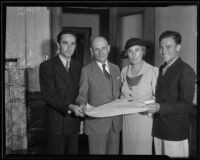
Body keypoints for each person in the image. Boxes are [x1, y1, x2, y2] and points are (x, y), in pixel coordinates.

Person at [146, 30, 196, 158]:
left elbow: (186, 105)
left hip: (175, 132)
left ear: (178, 47)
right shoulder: (162, 68)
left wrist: (160, 107)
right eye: (161, 47)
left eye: (168, 47)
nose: (163, 51)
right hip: (159, 128)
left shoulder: (186, 70)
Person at [39, 31, 84, 154]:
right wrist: (69, 106)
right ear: (58, 45)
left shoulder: (78, 66)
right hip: (55, 124)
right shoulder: (46, 66)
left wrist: (82, 120)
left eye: (72, 44)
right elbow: (48, 95)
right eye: (65, 43)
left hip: (73, 122)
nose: (69, 47)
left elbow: (81, 93)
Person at [75, 36, 122, 154]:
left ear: (109, 48)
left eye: (103, 48)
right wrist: (81, 104)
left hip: (115, 123)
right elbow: (82, 95)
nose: (101, 52)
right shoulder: (86, 70)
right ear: (91, 51)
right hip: (97, 124)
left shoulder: (116, 68)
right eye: (97, 49)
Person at [120, 38, 159, 154]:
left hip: (144, 119)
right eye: (130, 51)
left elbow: (158, 97)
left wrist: (149, 110)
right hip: (127, 118)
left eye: (137, 50)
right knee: (127, 149)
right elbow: (121, 95)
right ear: (127, 53)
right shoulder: (123, 71)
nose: (133, 54)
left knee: (142, 150)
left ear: (143, 51)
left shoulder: (153, 71)